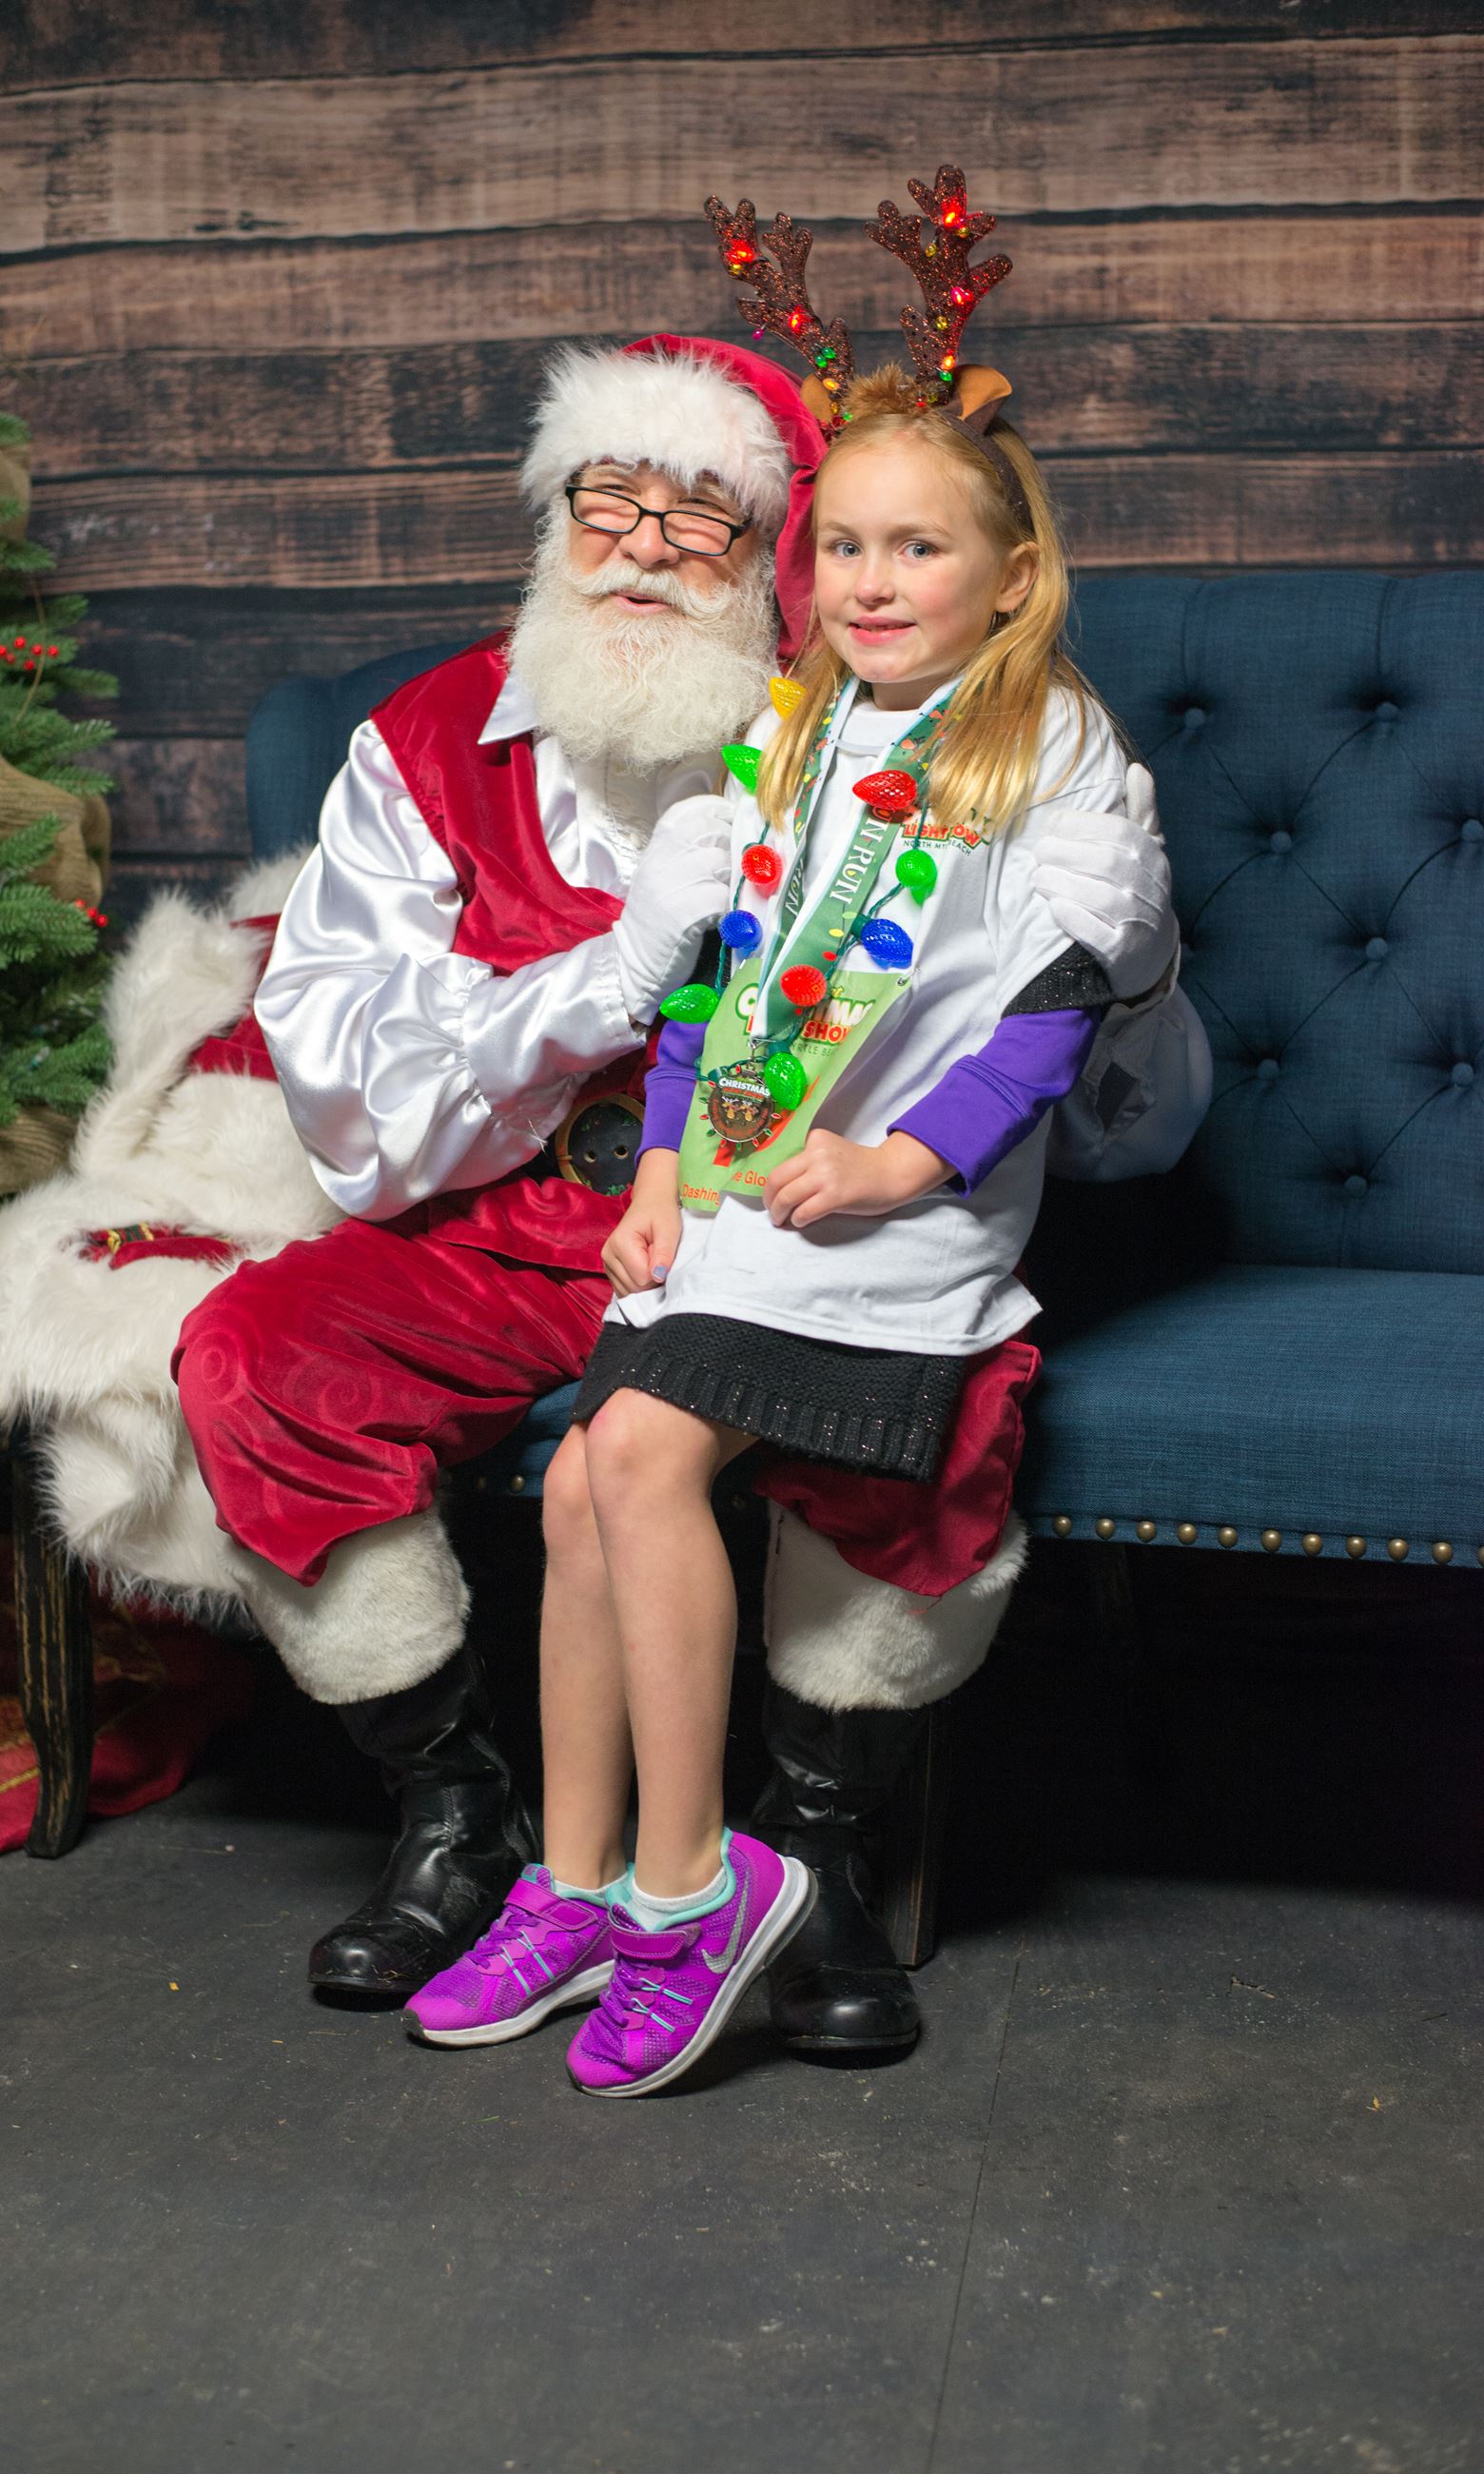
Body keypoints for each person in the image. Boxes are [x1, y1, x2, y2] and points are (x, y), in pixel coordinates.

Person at [172, 239, 1208, 2042]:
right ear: (552, 518)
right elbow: (344, 1101)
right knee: (267, 1355)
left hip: (800, 1223)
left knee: (922, 1414)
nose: (647, 542)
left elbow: (1068, 1054)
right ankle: (463, 1822)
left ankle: (805, 1856)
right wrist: (608, 990)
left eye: (706, 514)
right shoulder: (423, 746)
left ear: (770, 562)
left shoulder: (868, 739)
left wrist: (1070, 1004)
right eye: (610, 497)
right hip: (514, 1229)